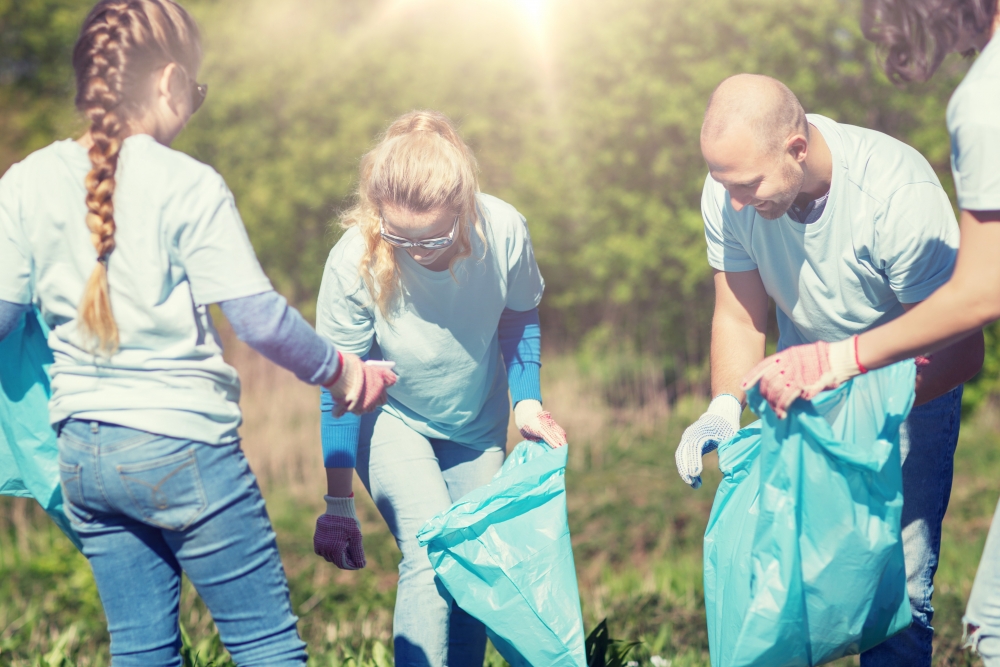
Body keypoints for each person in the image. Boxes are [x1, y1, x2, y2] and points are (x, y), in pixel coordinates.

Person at [0, 1, 396, 665]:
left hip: (84, 456)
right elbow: (259, 319)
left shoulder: (25, 181)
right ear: (170, 82)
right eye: (198, 93)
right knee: (265, 642)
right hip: (184, 447)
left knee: (141, 648)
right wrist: (346, 371)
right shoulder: (189, 183)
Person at [673, 73, 985, 667]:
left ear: (797, 147)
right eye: (724, 184)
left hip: (906, 394)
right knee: (788, 582)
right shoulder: (730, 192)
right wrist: (722, 408)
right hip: (804, 394)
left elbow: (961, 350)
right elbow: (739, 315)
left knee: (896, 591)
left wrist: (856, 385)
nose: (736, 202)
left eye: (747, 185)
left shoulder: (894, 192)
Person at [743, 1, 1000, 664]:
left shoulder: (977, 108)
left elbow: (977, 295)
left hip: (900, 383)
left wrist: (844, 362)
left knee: (980, 622)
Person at [310, 109, 567, 666]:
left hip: (474, 422)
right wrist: (337, 503)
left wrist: (526, 402)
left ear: (464, 204)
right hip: (390, 417)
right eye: (400, 237)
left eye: (434, 237)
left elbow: (518, 317)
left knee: (470, 563)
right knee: (429, 554)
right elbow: (342, 387)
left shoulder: (503, 230)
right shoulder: (353, 258)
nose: (418, 251)